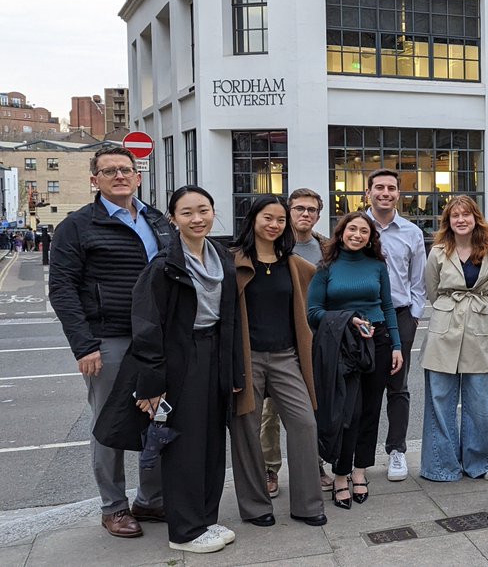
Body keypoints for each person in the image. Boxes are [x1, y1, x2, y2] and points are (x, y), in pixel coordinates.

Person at [48, 144, 172, 539]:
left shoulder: (156, 220)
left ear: (138, 177)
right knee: (111, 424)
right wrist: (84, 345)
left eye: (126, 169)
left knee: (158, 417)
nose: (119, 176)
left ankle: (150, 501)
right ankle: (114, 506)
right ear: (94, 180)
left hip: (156, 337)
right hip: (110, 337)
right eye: (109, 171)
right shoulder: (77, 225)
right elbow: (62, 288)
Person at [128, 186, 243, 553]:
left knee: (211, 440)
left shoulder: (221, 256)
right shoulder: (164, 265)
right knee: (185, 447)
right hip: (182, 359)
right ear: (173, 218)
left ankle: (206, 518)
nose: (198, 219)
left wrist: (235, 370)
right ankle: (185, 532)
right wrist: (152, 383)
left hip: (215, 352)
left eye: (204, 210)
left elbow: (232, 319)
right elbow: (147, 327)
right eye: (188, 212)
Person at [228, 195, 326, 529]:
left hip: (286, 357)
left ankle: (307, 504)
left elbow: (326, 289)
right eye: (267, 218)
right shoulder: (234, 261)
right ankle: (256, 507)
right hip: (248, 357)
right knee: (247, 432)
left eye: (280, 220)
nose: (274, 225)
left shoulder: (295, 264)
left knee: (304, 423)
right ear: (253, 219)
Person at [307, 211, 403, 510]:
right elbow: (313, 312)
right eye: (352, 229)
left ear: (370, 237)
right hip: (344, 346)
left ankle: (360, 471)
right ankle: (340, 474)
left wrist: (397, 346)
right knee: (347, 412)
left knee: (370, 411)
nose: (357, 235)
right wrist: (348, 320)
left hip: (379, 341)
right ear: (342, 232)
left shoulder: (377, 265)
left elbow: (387, 306)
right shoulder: (326, 267)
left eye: (364, 230)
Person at [421, 195, 488, 481]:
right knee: (440, 401)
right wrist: (451, 308)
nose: (461, 220)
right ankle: (440, 465)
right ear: (448, 221)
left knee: (480, 401)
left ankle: (483, 462)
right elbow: (433, 292)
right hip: (444, 328)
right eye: (455, 215)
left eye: (466, 215)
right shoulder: (437, 252)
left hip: (479, 327)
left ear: (475, 218)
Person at [260, 188, 332, 499]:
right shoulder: (273, 244)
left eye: (311, 210)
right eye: (299, 208)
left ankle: (312, 462)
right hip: (279, 339)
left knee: (311, 405)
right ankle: (269, 469)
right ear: (289, 211)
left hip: (315, 337)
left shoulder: (327, 248)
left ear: (318, 214)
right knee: (270, 410)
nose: (305, 214)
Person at [363, 169, 426, 483]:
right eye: (379, 187)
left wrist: (414, 316)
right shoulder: (357, 228)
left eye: (390, 188)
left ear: (399, 194)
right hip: (363, 316)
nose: (384, 192)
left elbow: (419, 279)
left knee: (397, 385)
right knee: (360, 385)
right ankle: (358, 454)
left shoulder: (411, 232)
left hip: (400, 316)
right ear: (368, 192)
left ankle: (396, 450)